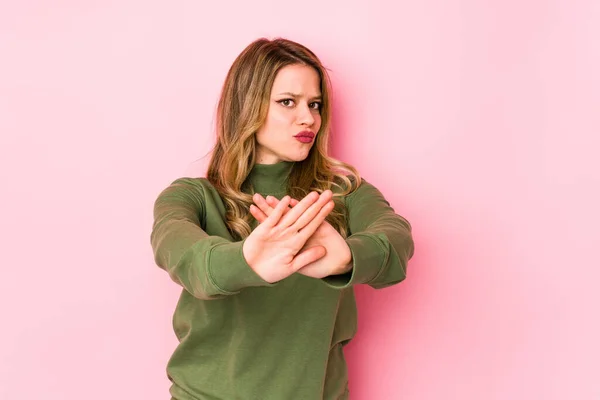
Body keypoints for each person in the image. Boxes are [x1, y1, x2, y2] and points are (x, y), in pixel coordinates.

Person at [150, 37, 415, 400]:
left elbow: (396, 239)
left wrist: (347, 257)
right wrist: (245, 261)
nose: (308, 118)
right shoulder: (193, 197)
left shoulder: (341, 193)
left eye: (315, 104)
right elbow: (181, 253)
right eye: (287, 102)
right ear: (247, 105)